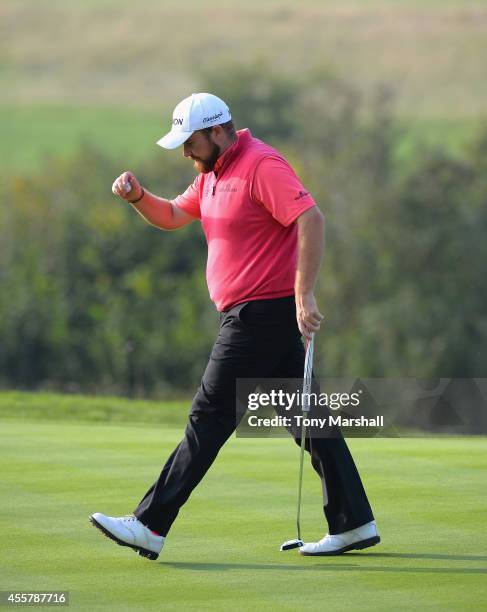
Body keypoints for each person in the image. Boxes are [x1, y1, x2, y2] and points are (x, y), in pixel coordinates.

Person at [90, 93, 379, 560]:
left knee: (209, 416)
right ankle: (354, 523)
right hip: (260, 315)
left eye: (191, 143)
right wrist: (138, 198)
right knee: (308, 421)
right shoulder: (211, 175)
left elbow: (310, 219)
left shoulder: (261, 165)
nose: (186, 153)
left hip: (260, 314)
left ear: (218, 131)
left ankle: (149, 524)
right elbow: (171, 215)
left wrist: (303, 292)